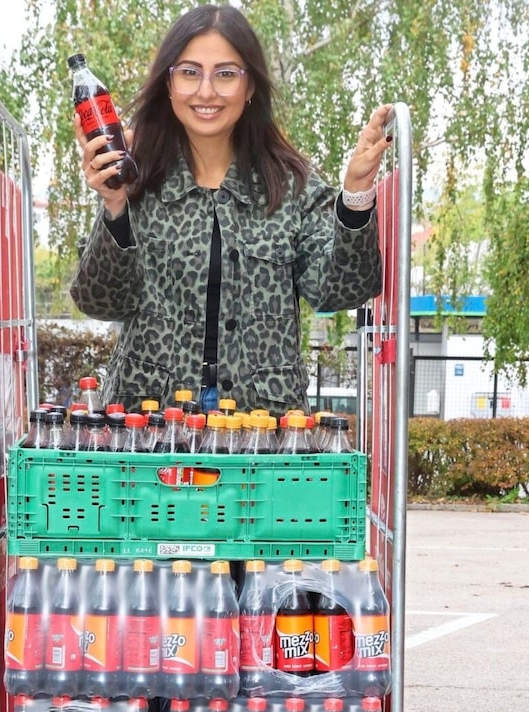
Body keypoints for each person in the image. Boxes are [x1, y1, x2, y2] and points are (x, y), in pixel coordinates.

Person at [70, 3, 392, 416]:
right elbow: (101, 303)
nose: (206, 91)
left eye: (225, 74)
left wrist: (357, 194)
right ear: (168, 85)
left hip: (263, 431)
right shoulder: (135, 176)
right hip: (148, 428)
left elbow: (339, 290)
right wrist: (115, 205)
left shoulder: (291, 185)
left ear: (250, 86)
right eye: (189, 72)